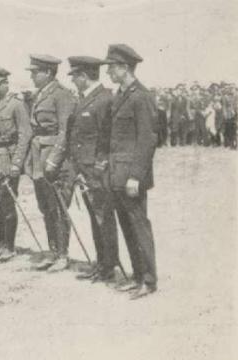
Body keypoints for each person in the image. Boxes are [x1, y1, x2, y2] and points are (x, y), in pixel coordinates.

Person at [103, 44, 158, 299]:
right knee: (127, 226)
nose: (108, 72)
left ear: (124, 67)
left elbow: (147, 140)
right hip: (117, 174)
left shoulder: (141, 97)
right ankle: (137, 277)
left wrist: (136, 175)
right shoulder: (120, 96)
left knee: (139, 226)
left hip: (131, 177)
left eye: (112, 67)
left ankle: (148, 279)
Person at [65, 56, 120, 282]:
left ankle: (109, 266)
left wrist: (98, 167)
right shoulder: (84, 99)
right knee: (95, 217)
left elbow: (108, 139)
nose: (74, 81)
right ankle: (102, 263)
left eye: (75, 77)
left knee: (103, 218)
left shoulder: (105, 100)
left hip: (97, 171)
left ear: (84, 77)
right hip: (84, 170)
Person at [24, 55, 77, 272]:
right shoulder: (40, 95)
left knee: (58, 206)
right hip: (39, 156)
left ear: (48, 73)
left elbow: (65, 131)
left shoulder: (61, 95)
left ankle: (63, 255)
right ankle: (53, 251)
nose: (32, 76)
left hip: (55, 158)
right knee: (46, 206)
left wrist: (55, 159)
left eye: (35, 72)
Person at [0, 67, 32, 262]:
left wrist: (17, 163)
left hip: (7, 160)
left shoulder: (16, 105)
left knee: (7, 203)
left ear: (4, 84)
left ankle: (10, 246)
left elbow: (25, 134)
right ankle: (1, 245)